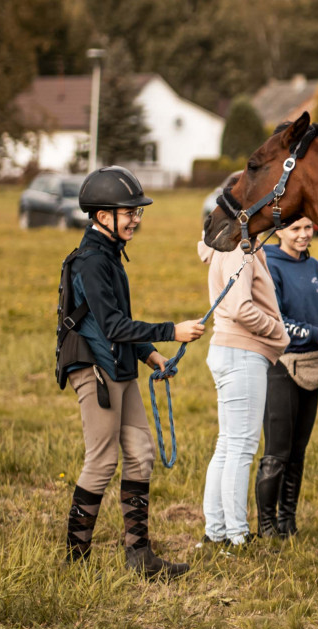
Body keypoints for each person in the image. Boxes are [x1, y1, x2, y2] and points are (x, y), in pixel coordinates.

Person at [61, 166, 206, 579]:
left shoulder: (109, 255)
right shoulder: (91, 260)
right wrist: (170, 331)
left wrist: (148, 354)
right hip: (96, 369)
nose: (136, 219)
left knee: (140, 455)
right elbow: (111, 327)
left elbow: (118, 319)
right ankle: (75, 560)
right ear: (103, 215)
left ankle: (139, 556)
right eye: (129, 212)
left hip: (121, 365)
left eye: (138, 212)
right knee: (102, 460)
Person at [254, 218, 318, 538]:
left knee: (299, 451)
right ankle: (266, 526)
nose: (303, 235)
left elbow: (317, 314)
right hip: (282, 367)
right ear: (278, 231)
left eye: (307, 228)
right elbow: (277, 320)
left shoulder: (315, 265)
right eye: (294, 229)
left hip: (312, 365)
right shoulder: (270, 266)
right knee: (278, 452)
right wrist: (315, 334)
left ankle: (288, 521)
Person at [197, 226, 287, 547]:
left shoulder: (234, 247)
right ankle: (236, 534)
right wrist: (277, 331)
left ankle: (216, 531)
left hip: (232, 351)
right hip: (242, 353)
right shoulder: (238, 249)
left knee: (227, 444)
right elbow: (240, 307)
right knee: (241, 447)